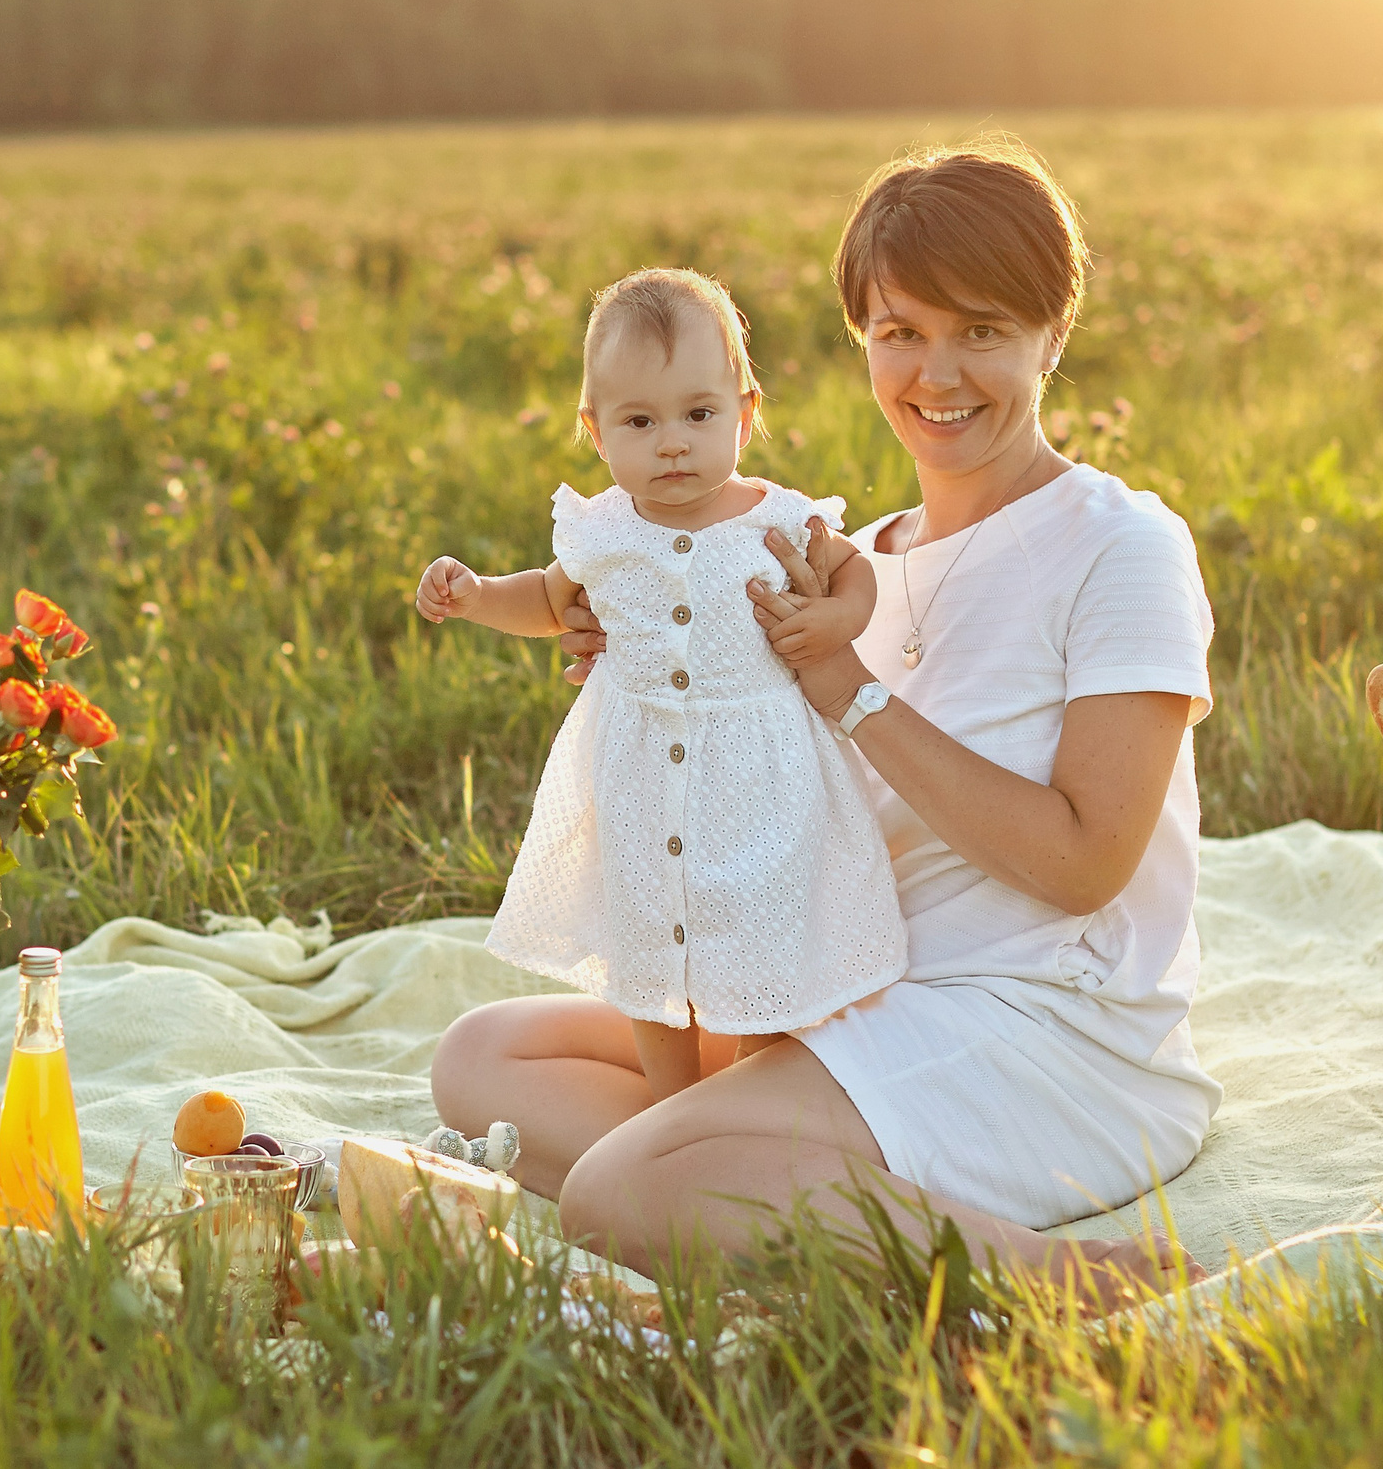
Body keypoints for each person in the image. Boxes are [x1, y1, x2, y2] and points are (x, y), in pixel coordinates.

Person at [433, 143, 1220, 1301]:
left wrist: (850, 691)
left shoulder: (1120, 543)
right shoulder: (851, 557)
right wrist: (645, 660)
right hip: (847, 984)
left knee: (617, 1190)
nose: (937, 371)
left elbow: (1085, 860)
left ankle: (1051, 1277)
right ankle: (752, 1168)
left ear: (1055, 333)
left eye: (983, 330)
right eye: (901, 331)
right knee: (484, 1057)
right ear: (861, 337)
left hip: (1046, 1026)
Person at [415, 268, 905, 1103]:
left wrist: (837, 623)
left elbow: (852, 573)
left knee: (756, 944)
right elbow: (546, 598)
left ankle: (747, 1092)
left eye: (699, 414)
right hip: (641, 782)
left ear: (745, 414)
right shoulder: (603, 530)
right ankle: (670, 1097)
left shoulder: (776, 520)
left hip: (762, 785)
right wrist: (474, 596)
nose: (673, 442)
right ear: (596, 432)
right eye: (640, 421)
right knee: (648, 945)